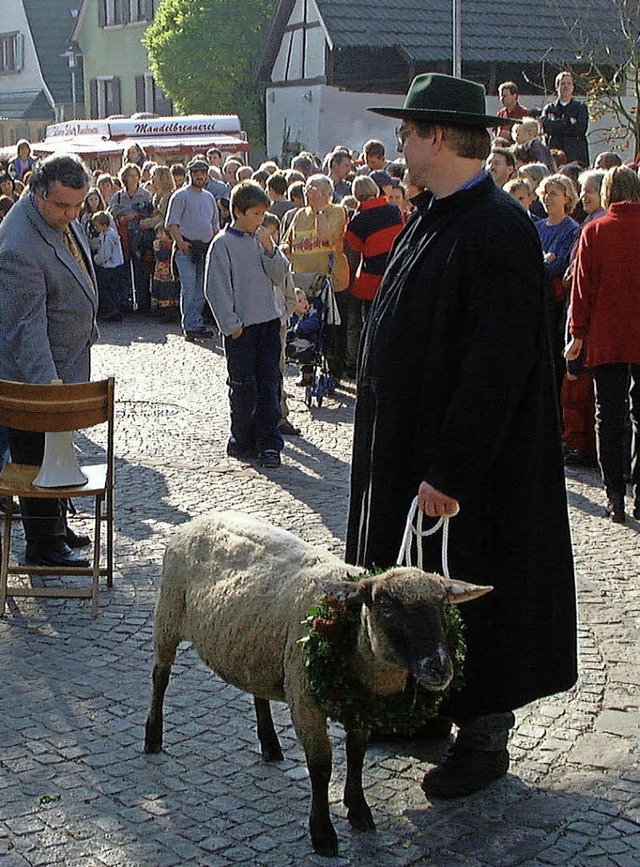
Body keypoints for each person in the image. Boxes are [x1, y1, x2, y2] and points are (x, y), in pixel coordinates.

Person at [346, 72, 577, 798]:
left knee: (473, 594)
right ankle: (424, 708)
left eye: (410, 131)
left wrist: (451, 470)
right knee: (416, 591)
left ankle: (483, 736)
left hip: (471, 476)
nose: (401, 143)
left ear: (439, 136)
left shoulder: (496, 228)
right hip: (410, 445)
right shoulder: (435, 212)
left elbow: (496, 368)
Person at [0, 153, 99, 568]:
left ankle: (57, 523)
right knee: (34, 455)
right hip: (35, 377)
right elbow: (26, 327)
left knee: (57, 450)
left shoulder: (57, 216)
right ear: (38, 192)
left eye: (78, 205)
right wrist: (50, 390)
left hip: (66, 363)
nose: (72, 214)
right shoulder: (20, 245)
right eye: (63, 206)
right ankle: (43, 544)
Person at [566, 166, 640, 523]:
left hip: (606, 334)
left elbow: (582, 290)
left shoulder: (594, 231)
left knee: (608, 415)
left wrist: (577, 335)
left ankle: (614, 496)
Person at [205, 181, 290, 468]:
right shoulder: (222, 244)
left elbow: (280, 276)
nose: (260, 220)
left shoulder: (261, 240)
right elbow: (216, 288)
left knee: (270, 384)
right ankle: (242, 439)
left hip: (268, 323)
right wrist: (232, 325)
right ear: (239, 212)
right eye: (255, 214)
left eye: (263, 214)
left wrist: (271, 250)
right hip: (242, 328)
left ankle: (269, 443)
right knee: (243, 386)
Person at [282, 174, 350, 379]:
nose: (307, 192)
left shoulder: (336, 212)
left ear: (327, 193)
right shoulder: (299, 215)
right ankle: (307, 370)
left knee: (332, 328)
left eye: (313, 189)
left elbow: (325, 237)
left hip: (331, 281)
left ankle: (334, 371)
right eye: (307, 188)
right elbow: (289, 242)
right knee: (304, 327)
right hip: (304, 283)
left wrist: (320, 208)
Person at [343, 175, 404, 377]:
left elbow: (352, 250)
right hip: (396, 276)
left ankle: (370, 368)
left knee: (370, 326)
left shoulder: (357, 222)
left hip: (370, 280)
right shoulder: (394, 211)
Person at [165, 158, 220, 341]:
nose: (199, 176)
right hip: (186, 249)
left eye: (202, 172)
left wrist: (214, 246)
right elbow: (172, 223)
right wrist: (180, 242)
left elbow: (215, 226)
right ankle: (189, 325)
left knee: (202, 289)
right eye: (196, 172)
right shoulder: (180, 196)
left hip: (204, 249)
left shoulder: (209, 197)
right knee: (189, 288)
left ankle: (196, 322)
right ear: (190, 174)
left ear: (206, 175)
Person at [108, 163, 154, 311]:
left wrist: (137, 215)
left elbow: (150, 212)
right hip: (124, 237)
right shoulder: (119, 197)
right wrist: (121, 217)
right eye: (130, 175)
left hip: (141, 236)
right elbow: (112, 213)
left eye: (135, 175)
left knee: (141, 270)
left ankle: (143, 303)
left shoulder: (145, 194)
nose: (133, 178)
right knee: (125, 270)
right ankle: (126, 302)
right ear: (124, 178)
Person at [541, 71, 590, 166]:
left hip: (575, 155)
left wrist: (556, 125)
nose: (565, 86)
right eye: (562, 84)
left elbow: (580, 129)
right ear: (557, 87)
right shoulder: (549, 108)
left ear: (573, 87)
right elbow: (546, 127)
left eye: (569, 83)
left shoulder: (580, 108)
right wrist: (567, 122)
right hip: (554, 156)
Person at [91, 211, 125, 321]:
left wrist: (96, 260)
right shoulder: (110, 234)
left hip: (110, 267)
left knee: (106, 289)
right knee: (113, 289)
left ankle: (112, 310)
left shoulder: (108, 236)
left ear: (104, 225)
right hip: (117, 265)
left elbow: (105, 254)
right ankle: (115, 309)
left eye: (97, 226)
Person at [151, 223, 180, 315]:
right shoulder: (161, 243)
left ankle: (169, 310)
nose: (158, 236)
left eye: (161, 233)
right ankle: (161, 309)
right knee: (161, 289)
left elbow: (162, 256)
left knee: (167, 289)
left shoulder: (169, 245)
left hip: (167, 271)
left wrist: (157, 250)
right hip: (160, 271)